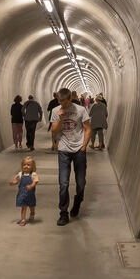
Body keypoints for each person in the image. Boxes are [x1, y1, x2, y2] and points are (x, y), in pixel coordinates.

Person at [51, 87, 91, 226]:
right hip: (64, 150)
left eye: (63, 101)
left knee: (81, 183)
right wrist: (61, 119)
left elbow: (88, 128)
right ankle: (63, 213)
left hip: (79, 149)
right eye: (59, 100)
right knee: (63, 183)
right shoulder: (56, 111)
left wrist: (84, 146)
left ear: (70, 99)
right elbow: (54, 131)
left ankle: (78, 202)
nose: (61, 103)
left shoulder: (80, 110)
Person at [9, 155, 39, 225]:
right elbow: (17, 181)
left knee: (31, 205)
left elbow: (35, 182)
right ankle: (23, 219)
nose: (26, 166)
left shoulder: (33, 174)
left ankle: (32, 213)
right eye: (24, 165)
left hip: (30, 194)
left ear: (32, 166)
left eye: (28, 165)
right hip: (22, 193)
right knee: (23, 206)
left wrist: (31, 186)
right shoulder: (20, 174)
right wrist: (13, 183)